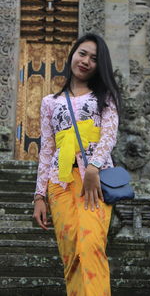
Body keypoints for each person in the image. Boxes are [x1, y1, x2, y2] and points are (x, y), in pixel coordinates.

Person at [33, 33, 121, 296]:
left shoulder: (105, 96)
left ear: (99, 65)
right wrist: (39, 195)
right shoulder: (50, 103)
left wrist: (93, 167)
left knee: (91, 246)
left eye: (94, 58)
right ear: (72, 54)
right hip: (59, 184)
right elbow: (47, 150)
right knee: (71, 253)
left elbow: (109, 134)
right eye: (82, 53)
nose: (85, 61)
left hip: (94, 182)